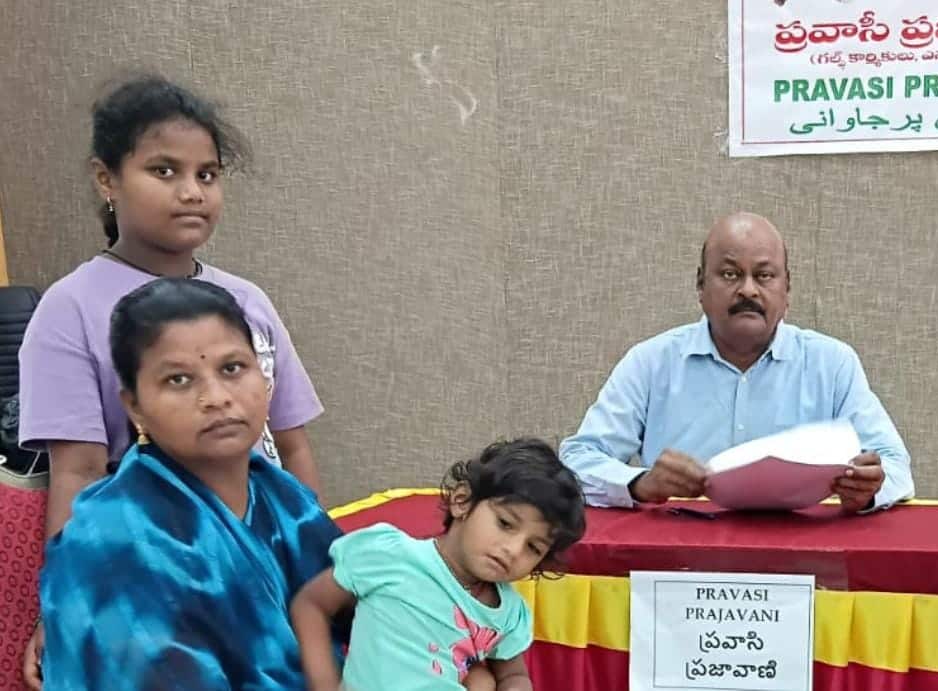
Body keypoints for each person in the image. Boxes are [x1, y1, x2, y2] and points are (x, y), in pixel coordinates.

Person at [20, 75, 324, 688]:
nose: (191, 193)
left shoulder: (247, 301)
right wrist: (71, 601)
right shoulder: (71, 307)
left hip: (267, 552)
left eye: (207, 175)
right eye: (164, 171)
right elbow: (77, 470)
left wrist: (313, 562)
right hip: (156, 560)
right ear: (107, 179)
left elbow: (291, 447)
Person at [39, 278, 344, 688]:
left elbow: (371, 619)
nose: (216, 397)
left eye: (232, 368)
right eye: (179, 380)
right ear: (135, 407)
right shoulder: (109, 544)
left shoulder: (286, 502)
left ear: (264, 378)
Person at [560, 212, 914, 512]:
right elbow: (577, 461)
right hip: (678, 560)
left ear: (786, 290)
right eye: (730, 274)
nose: (748, 290)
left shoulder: (831, 364)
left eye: (764, 276)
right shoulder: (651, 362)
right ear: (701, 286)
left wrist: (869, 491)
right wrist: (639, 482)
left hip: (803, 558)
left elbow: (896, 467)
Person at [290, 438, 587, 691]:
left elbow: (513, 674)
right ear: (462, 501)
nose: (513, 550)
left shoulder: (507, 612)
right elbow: (310, 606)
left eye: (533, 548)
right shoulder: (390, 554)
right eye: (505, 523)